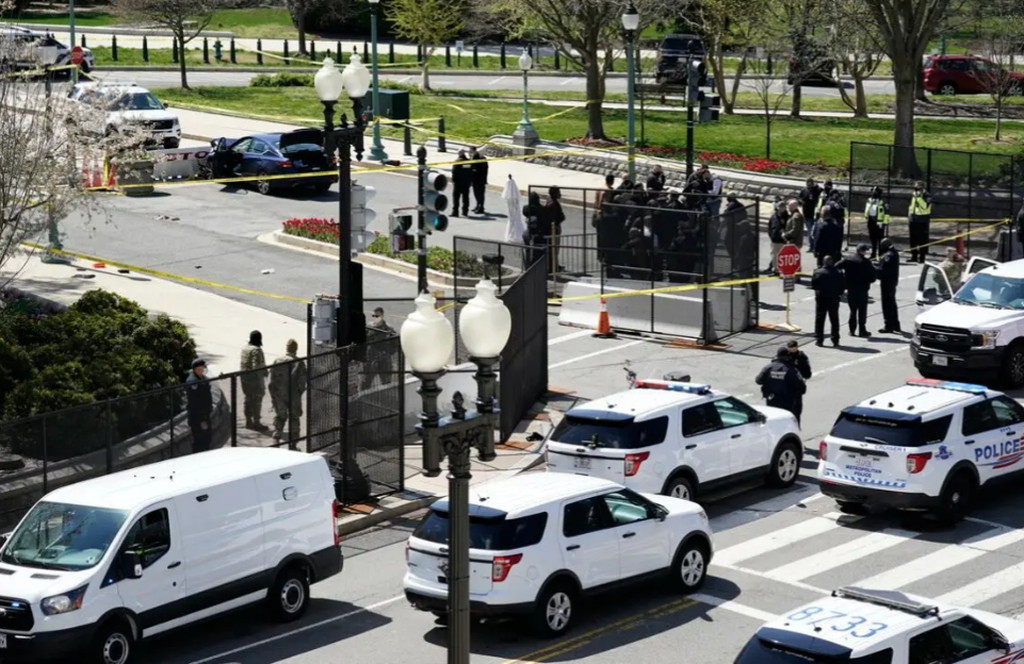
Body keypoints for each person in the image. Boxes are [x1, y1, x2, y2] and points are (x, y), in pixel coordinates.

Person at [269, 339, 306, 446]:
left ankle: (276, 437)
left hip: (279, 394)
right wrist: (299, 392)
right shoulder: (299, 363)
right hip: (294, 394)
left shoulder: (277, 361)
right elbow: (302, 382)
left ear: (286, 348)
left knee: (280, 416)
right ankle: (293, 443)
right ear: (296, 349)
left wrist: (273, 395)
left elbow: (272, 381)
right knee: (294, 418)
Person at [755, 347, 807, 421]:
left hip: (772, 400)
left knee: (774, 420)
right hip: (787, 402)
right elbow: (801, 387)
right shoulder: (791, 369)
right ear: (788, 356)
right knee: (788, 422)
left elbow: (758, 380)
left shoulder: (768, 367)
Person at [838, 243, 876, 338]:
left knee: (853, 310)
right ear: (861, 251)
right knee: (862, 310)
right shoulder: (866, 262)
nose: (865, 252)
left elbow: (836, 266)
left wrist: (843, 278)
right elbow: (872, 278)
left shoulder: (848, 259)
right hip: (862, 289)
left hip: (851, 289)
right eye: (865, 251)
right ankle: (862, 330)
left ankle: (852, 330)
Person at [812, 255, 846, 347]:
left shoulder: (817, 272)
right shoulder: (838, 272)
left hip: (821, 298)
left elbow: (814, 286)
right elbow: (842, 287)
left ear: (823, 262)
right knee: (834, 319)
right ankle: (835, 339)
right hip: (833, 298)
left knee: (820, 319)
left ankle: (819, 339)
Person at [240, 329, 268, 430]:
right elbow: (256, 366)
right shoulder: (257, 350)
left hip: (244, 379)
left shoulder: (244, 349)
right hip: (255, 380)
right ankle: (257, 422)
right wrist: (263, 373)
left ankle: (248, 421)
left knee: (247, 399)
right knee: (257, 400)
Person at [185, 358, 213, 453]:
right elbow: (195, 403)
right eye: (202, 367)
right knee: (200, 440)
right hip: (198, 417)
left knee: (207, 438)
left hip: (205, 414)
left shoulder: (202, 378)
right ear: (196, 369)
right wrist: (202, 419)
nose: (204, 369)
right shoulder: (193, 382)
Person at [875, 238, 902, 334]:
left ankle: (888, 325)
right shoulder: (894, 253)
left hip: (887, 282)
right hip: (892, 281)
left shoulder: (888, 256)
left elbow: (883, 271)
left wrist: (873, 268)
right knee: (892, 303)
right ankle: (895, 324)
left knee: (887, 304)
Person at [908, 181, 933, 263]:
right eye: (915, 186)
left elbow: (925, 206)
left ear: (922, 187)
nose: (915, 188)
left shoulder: (927, 195)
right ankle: (914, 256)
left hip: (922, 220)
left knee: (922, 239)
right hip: (913, 219)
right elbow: (912, 206)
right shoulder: (914, 194)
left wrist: (919, 197)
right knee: (913, 239)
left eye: (917, 186)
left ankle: (922, 257)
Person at [864, 186, 890, 258]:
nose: (873, 193)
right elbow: (867, 209)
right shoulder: (869, 200)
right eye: (872, 191)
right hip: (871, 221)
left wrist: (884, 223)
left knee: (880, 239)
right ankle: (873, 254)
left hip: (879, 222)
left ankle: (881, 255)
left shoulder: (883, 202)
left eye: (875, 191)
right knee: (873, 239)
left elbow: (887, 214)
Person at [546, 186, 566, 273]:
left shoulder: (550, 201)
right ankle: (553, 268)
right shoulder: (553, 204)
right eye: (558, 192)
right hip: (554, 230)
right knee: (554, 249)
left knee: (554, 249)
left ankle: (555, 265)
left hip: (554, 228)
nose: (560, 194)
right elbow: (558, 217)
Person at [799, 177, 822, 251]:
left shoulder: (816, 190)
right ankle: (811, 245)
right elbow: (799, 198)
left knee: (813, 231)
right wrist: (801, 201)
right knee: (810, 231)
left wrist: (816, 186)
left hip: (815, 214)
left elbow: (821, 191)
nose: (809, 186)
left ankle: (813, 245)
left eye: (810, 184)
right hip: (806, 214)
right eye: (807, 184)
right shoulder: (803, 190)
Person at [767, 201, 788, 275]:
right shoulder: (774, 216)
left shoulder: (787, 217)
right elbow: (769, 226)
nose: (780, 209)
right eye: (779, 207)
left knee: (782, 256)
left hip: (782, 240)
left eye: (782, 207)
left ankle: (782, 270)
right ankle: (775, 270)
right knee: (774, 256)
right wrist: (771, 235)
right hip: (774, 240)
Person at [451, 150, 472, 217]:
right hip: (466, 183)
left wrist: (453, 181)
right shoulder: (468, 162)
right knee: (465, 198)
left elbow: (454, 172)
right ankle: (465, 211)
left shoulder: (457, 161)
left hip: (458, 183)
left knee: (456, 198)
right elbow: (470, 172)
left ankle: (455, 212)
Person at [469, 146, 489, 214]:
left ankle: (481, 207)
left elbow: (476, 168)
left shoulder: (478, 158)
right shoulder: (475, 157)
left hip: (479, 179)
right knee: (477, 193)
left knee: (479, 194)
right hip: (477, 179)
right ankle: (478, 205)